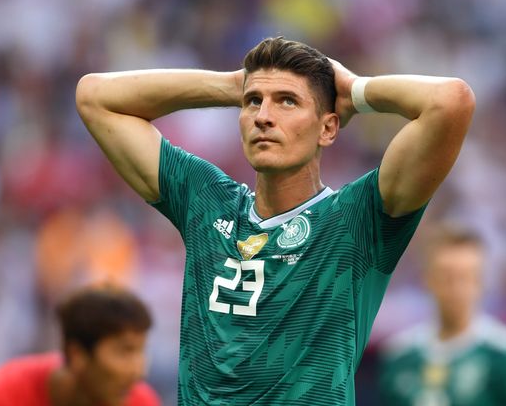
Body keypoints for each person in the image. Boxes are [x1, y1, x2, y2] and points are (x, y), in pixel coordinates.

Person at [76, 37, 475, 405]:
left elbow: (450, 101)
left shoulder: (355, 220)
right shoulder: (207, 201)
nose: (263, 116)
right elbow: (95, 96)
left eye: (287, 101)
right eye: (253, 102)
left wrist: (354, 91)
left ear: (328, 127)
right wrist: (232, 85)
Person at [378, 224, 506, 406]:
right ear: (427, 279)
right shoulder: (399, 356)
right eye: (446, 277)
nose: (456, 289)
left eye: (465, 277)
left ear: (481, 281)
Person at [0, 284, 161, 406]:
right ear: (77, 355)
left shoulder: (141, 401)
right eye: (124, 352)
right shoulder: (1, 397)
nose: (139, 371)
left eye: (141, 350)